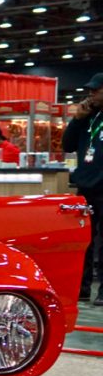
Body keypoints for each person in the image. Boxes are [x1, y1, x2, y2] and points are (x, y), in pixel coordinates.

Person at [62, 72, 103, 303]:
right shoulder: (88, 117)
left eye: (96, 90)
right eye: (90, 89)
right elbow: (67, 145)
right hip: (85, 187)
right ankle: (83, 287)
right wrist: (77, 119)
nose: (91, 93)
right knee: (84, 240)